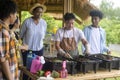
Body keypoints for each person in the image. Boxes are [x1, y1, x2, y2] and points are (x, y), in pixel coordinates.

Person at [20, 3, 47, 79]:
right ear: (34, 12)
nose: (40, 14)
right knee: (27, 71)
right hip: (28, 50)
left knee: (38, 71)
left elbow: (43, 36)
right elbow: (20, 36)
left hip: (39, 50)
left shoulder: (44, 23)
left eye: (41, 12)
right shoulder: (27, 22)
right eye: (38, 12)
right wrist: (22, 47)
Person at [0, 0, 19, 80]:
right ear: (11, 14)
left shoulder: (5, 29)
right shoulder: (3, 31)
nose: (16, 16)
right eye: (15, 14)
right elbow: (3, 59)